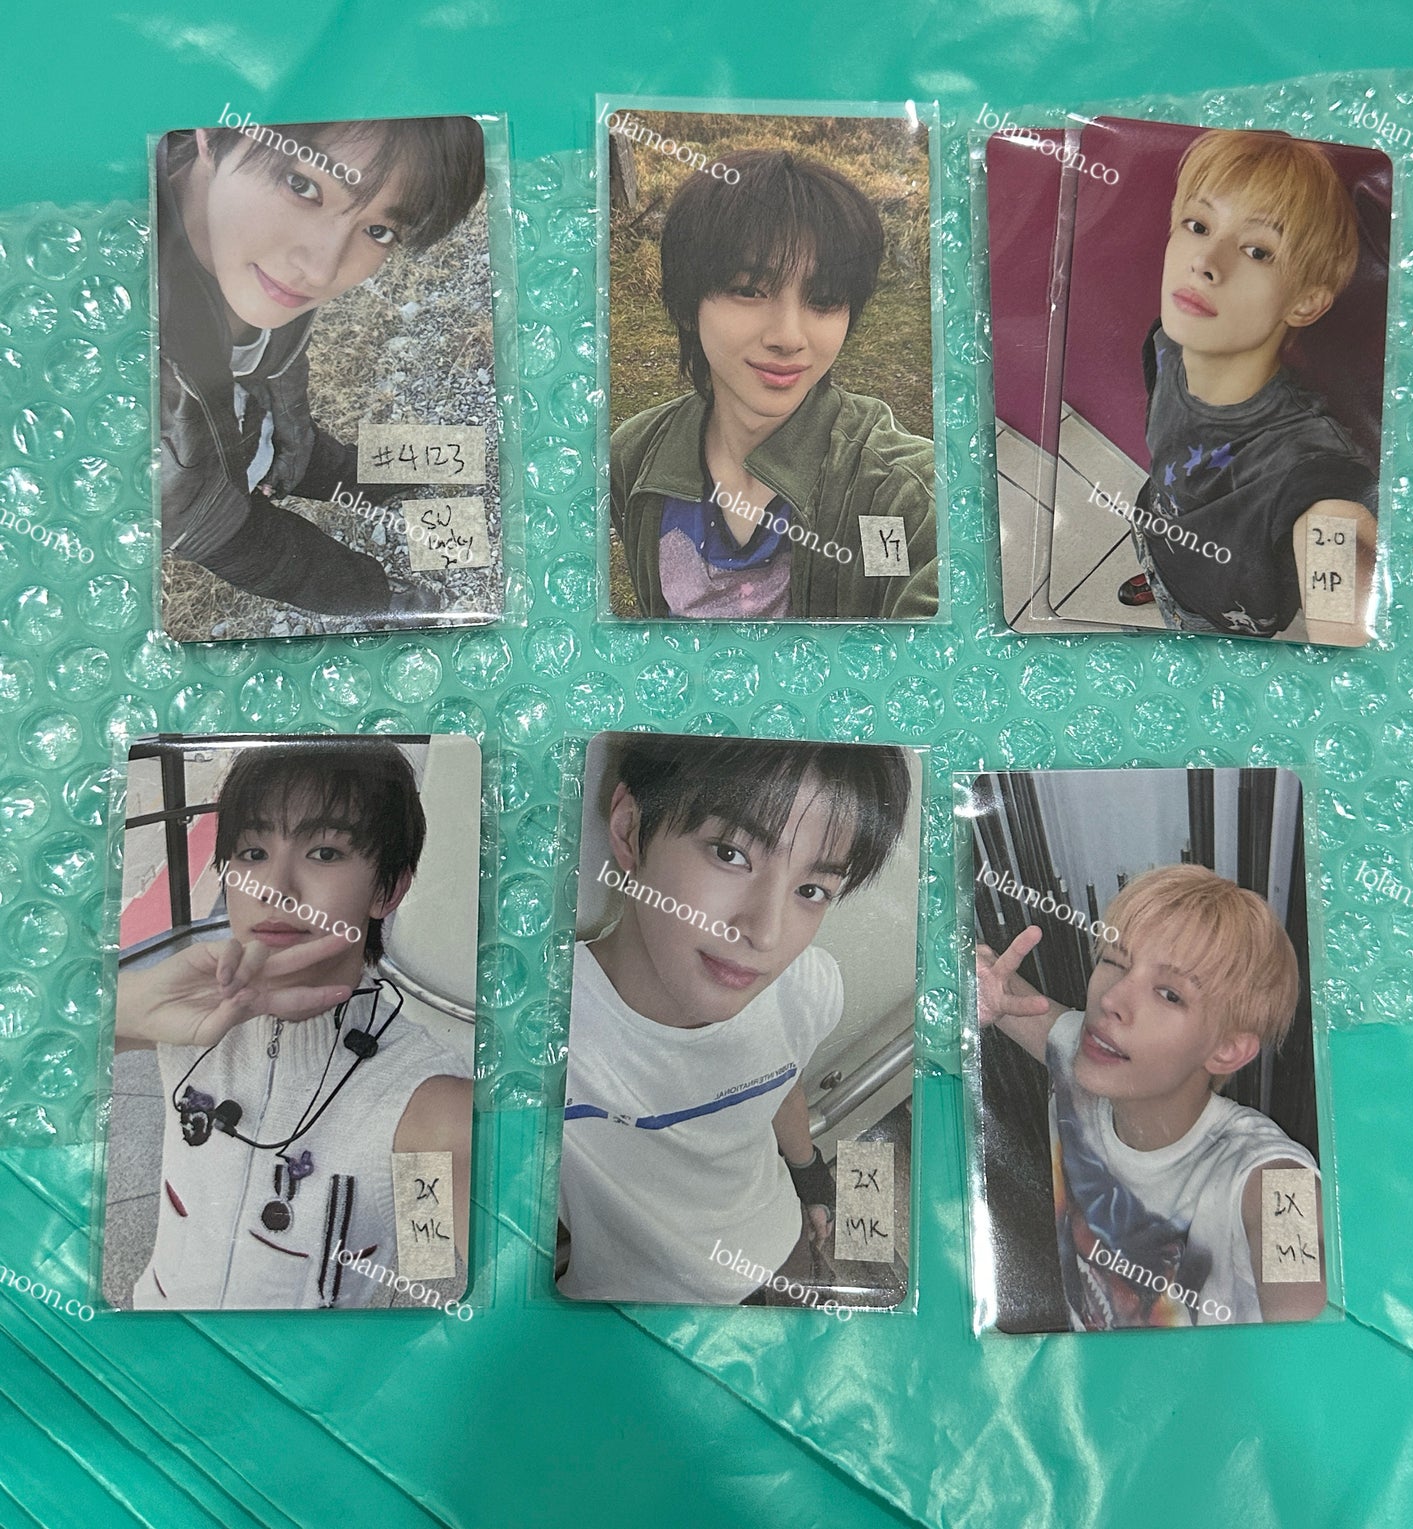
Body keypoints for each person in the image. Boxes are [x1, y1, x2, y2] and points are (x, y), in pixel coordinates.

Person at [113, 740, 472, 1310]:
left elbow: (430, 1254)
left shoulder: (421, 1095)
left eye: (324, 852)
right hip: (152, 1337)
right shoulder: (194, 1010)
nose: (273, 888)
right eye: (253, 852)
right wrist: (136, 1002)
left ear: (388, 889)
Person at [556, 736, 911, 1304]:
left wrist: (810, 1180)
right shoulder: (546, 1030)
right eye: (730, 854)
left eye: (812, 890)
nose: (765, 934)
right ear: (629, 829)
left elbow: (781, 1083)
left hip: (785, 1252)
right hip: (629, 1320)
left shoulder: (808, 987)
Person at [156, 115, 485, 618]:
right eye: (301, 185)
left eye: (378, 230)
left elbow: (279, 362)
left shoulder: (256, 251)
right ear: (208, 129)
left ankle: (396, 472)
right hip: (207, 512)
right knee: (301, 568)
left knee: (329, 462)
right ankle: (383, 599)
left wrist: (292, 433)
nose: (322, 269)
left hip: (265, 434)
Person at [976, 863, 1325, 1329]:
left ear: (1227, 1049)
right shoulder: (1086, 1060)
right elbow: (1012, 1002)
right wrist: (977, 978)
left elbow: (1311, 1335)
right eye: (1114, 962)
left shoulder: (1276, 1179)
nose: (1111, 1000)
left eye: (1169, 994)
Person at [610, 147, 937, 620]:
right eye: (749, 290)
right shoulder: (635, 457)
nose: (788, 337)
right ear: (686, 303)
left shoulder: (902, 496)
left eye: (824, 299)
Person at [1117, 129, 1378, 643]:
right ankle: (1161, 574)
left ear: (1305, 302)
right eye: (1198, 225)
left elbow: (1343, 568)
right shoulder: (1166, 341)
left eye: (1258, 251)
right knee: (1160, 554)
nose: (1205, 262)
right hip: (1155, 532)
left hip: (1219, 616)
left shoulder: (1309, 468)